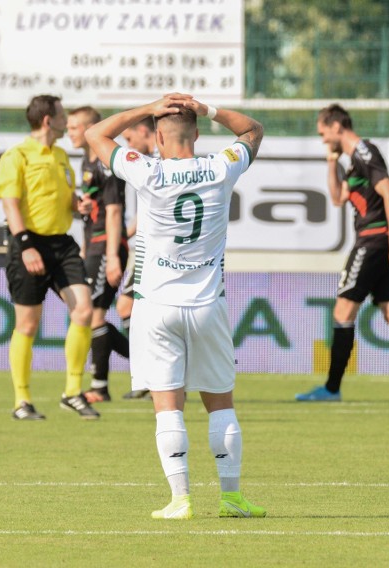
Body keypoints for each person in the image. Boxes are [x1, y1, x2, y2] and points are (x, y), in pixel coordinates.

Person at [85, 93, 266, 519]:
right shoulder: (220, 167)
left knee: (168, 407)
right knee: (221, 403)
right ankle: (232, 498)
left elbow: (96, 133)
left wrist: (149, 108)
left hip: (155, 307)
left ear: (158, 141)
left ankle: (180, 500)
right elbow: (253, 130)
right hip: (207, 305)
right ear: (198, 134)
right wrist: (208, 108)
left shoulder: (146, 170)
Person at [294, 104, 389, 403]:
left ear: (337, 126)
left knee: (343, 311)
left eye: (324, 133)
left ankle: (332, 388)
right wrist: (330, 161)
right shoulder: (353, 161)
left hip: (373, 241)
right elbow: (338, 198)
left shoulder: (365, 152)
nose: (324, 139)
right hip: (378, 242)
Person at [0, 94, 98, 420]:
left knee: (83, 309)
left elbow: (65, 197)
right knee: (27, 322)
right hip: (28, 243)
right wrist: (25, 245)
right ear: (47, 120)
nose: (67, 121)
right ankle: (21, 401)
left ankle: (72, 392)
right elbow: (10, 203)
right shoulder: (17, 155)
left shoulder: (62, 155)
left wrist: (76, 204)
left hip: (62, 245)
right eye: (63, 115)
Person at [66, 106, 130, 404]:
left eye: (75, 127)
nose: (70, 132)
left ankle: (101, 386)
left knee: (93, 314)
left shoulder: (108, 160)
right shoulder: (85, 160)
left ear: (92, 127)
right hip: (94, 244)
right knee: (91, 314)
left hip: (107, 245)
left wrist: (113, 256)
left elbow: (115, 211)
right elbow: (95, 207)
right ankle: (146, 365)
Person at [117, 116, 158, 400]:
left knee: (125, 308)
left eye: (130, 138)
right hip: (155, 249)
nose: (129, 145)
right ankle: (154, 376)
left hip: (151, 250)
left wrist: (121, 235)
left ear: (145, 131)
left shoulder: (153, 163)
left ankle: (149, 376)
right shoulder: (167, 158)